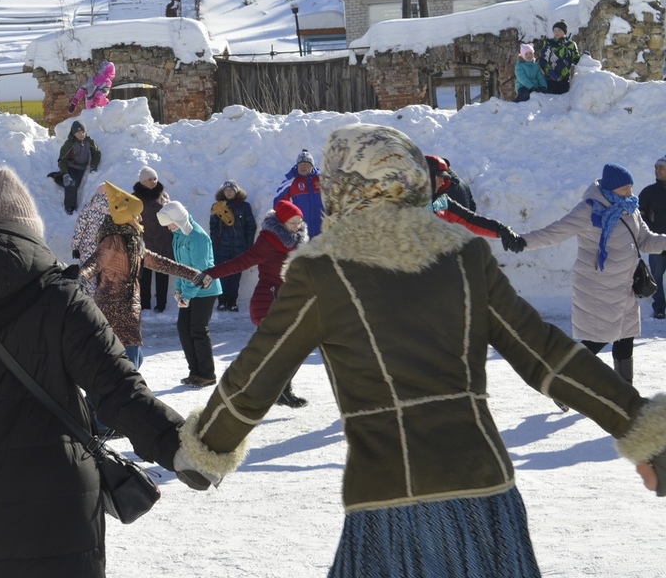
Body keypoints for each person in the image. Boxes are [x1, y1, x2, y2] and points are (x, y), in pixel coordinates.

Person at [178, 123, 666, 577]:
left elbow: (256, 377)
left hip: (389, 508)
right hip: (486, 498)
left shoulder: (322, 273)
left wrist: (205, 447)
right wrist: (643, 429)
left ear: (340, 186)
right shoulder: (464, 255)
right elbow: (548, 355)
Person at [0, 168, 212, 578]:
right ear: (31, 235)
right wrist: (180, 445)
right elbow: (118, 389)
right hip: (60, 508)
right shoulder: (60, 298)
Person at [514, 163, 666, 393]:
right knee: (596, 341)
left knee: (626, 336)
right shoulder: (589, 210)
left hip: (625, 286)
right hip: (598, 288)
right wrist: (522, 241)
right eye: (625, 188)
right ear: (612, 188)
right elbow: (555, 232)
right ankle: (560, 382)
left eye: (631, 187)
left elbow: (645, 239)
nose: (630, 193)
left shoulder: (630, 208)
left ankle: (626, 393)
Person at [80, 182, 203, 369]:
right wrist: (78, 276)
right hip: (113, 307)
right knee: (124, 363)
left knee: (132, 360)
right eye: (136, 214)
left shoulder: (134, 241)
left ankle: (107, 395)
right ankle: (101, 397)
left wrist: (192, 274)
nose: (140, 217)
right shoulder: (112, 241)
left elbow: (160, 262)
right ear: (126, 216)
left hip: (130, 308)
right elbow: (94, 263)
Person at [202, 199, 310, 407]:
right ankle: (270, 390)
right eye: (292, 223)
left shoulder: (299, 242)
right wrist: (211, 274)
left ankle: (272, 390)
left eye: (299, 222)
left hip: (291, 302)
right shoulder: (268, 241)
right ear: (281, 222)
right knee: (281, 351)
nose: (297, 227)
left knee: (287, 350)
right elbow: (241, 262)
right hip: (270, 302)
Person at [157, 200, 223, 387]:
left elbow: (200, 270)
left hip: (205, 290)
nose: (168, 228)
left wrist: (187, 294)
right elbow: (181, 267)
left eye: (169, 223)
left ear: (178, 220)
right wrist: (179, 289)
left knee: (198, 329)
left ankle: (207, 374)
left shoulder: (197, 237)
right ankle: (195, 371)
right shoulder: (178, 234)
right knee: (183, 328)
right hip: (189, 289)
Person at [209, 180, 256, 312]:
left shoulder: (244, 206)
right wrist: (215, 244)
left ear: (236, 191)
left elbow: (250, 227)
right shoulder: (217, 206)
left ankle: (232, 301)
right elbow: (213, 227)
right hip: (221, 247)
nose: (229, 192)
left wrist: (249, 246)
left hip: (239, 248)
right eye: (226, 190)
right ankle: (222, 301)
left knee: (235, 275)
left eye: (231, 190)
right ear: (222, 192)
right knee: (222, 274)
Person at [134, 166, 173, 312]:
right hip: (144, 241)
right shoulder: (135, 197)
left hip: (163, 240)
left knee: (162, 273)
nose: (153, 182)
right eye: (149, 179)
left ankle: (161, 304)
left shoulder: (163, 195)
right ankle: (145, 304)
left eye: (155, 179)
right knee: (144, 276)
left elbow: (172, 212)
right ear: (143, 181)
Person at [273, 149, 323, 238]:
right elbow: (278, 204)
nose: (303, 166)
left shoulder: (322, 180)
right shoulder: (290, 182)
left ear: (312, 166)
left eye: (306, 164)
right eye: (300, 164)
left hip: (322, 231)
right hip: (300, 233)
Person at [639, 155, 666, 320]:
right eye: (656, 167)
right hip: (656, 242)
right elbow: (639, 214)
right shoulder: (648, 192)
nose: (657, 170)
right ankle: (660, 308)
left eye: (661, 168)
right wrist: (651, 228)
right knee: (656, 276)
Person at [57, 121, 101, 214]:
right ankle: (70, 207)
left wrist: (94, 164)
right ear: (74, 133)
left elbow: (96, 152)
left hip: (81, 168)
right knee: (71, 184)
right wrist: (65, 173)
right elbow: (62, 160)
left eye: (82, 132)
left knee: (76, 184)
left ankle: (60, 180)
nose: (81, 134)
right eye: (78, 133)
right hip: (71, 166)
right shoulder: (69, 144)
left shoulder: (88, 141)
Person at [539, 20, 580, 95]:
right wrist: (550, 72)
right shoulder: (549, 44)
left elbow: (576, 58)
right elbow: (543, 60)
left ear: (564, 32)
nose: (556, 33)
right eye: (555, 30)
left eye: (559, 30)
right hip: (550, 78)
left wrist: (584, 58)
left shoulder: (570, 45)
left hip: (564, 78)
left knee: (563, 101)